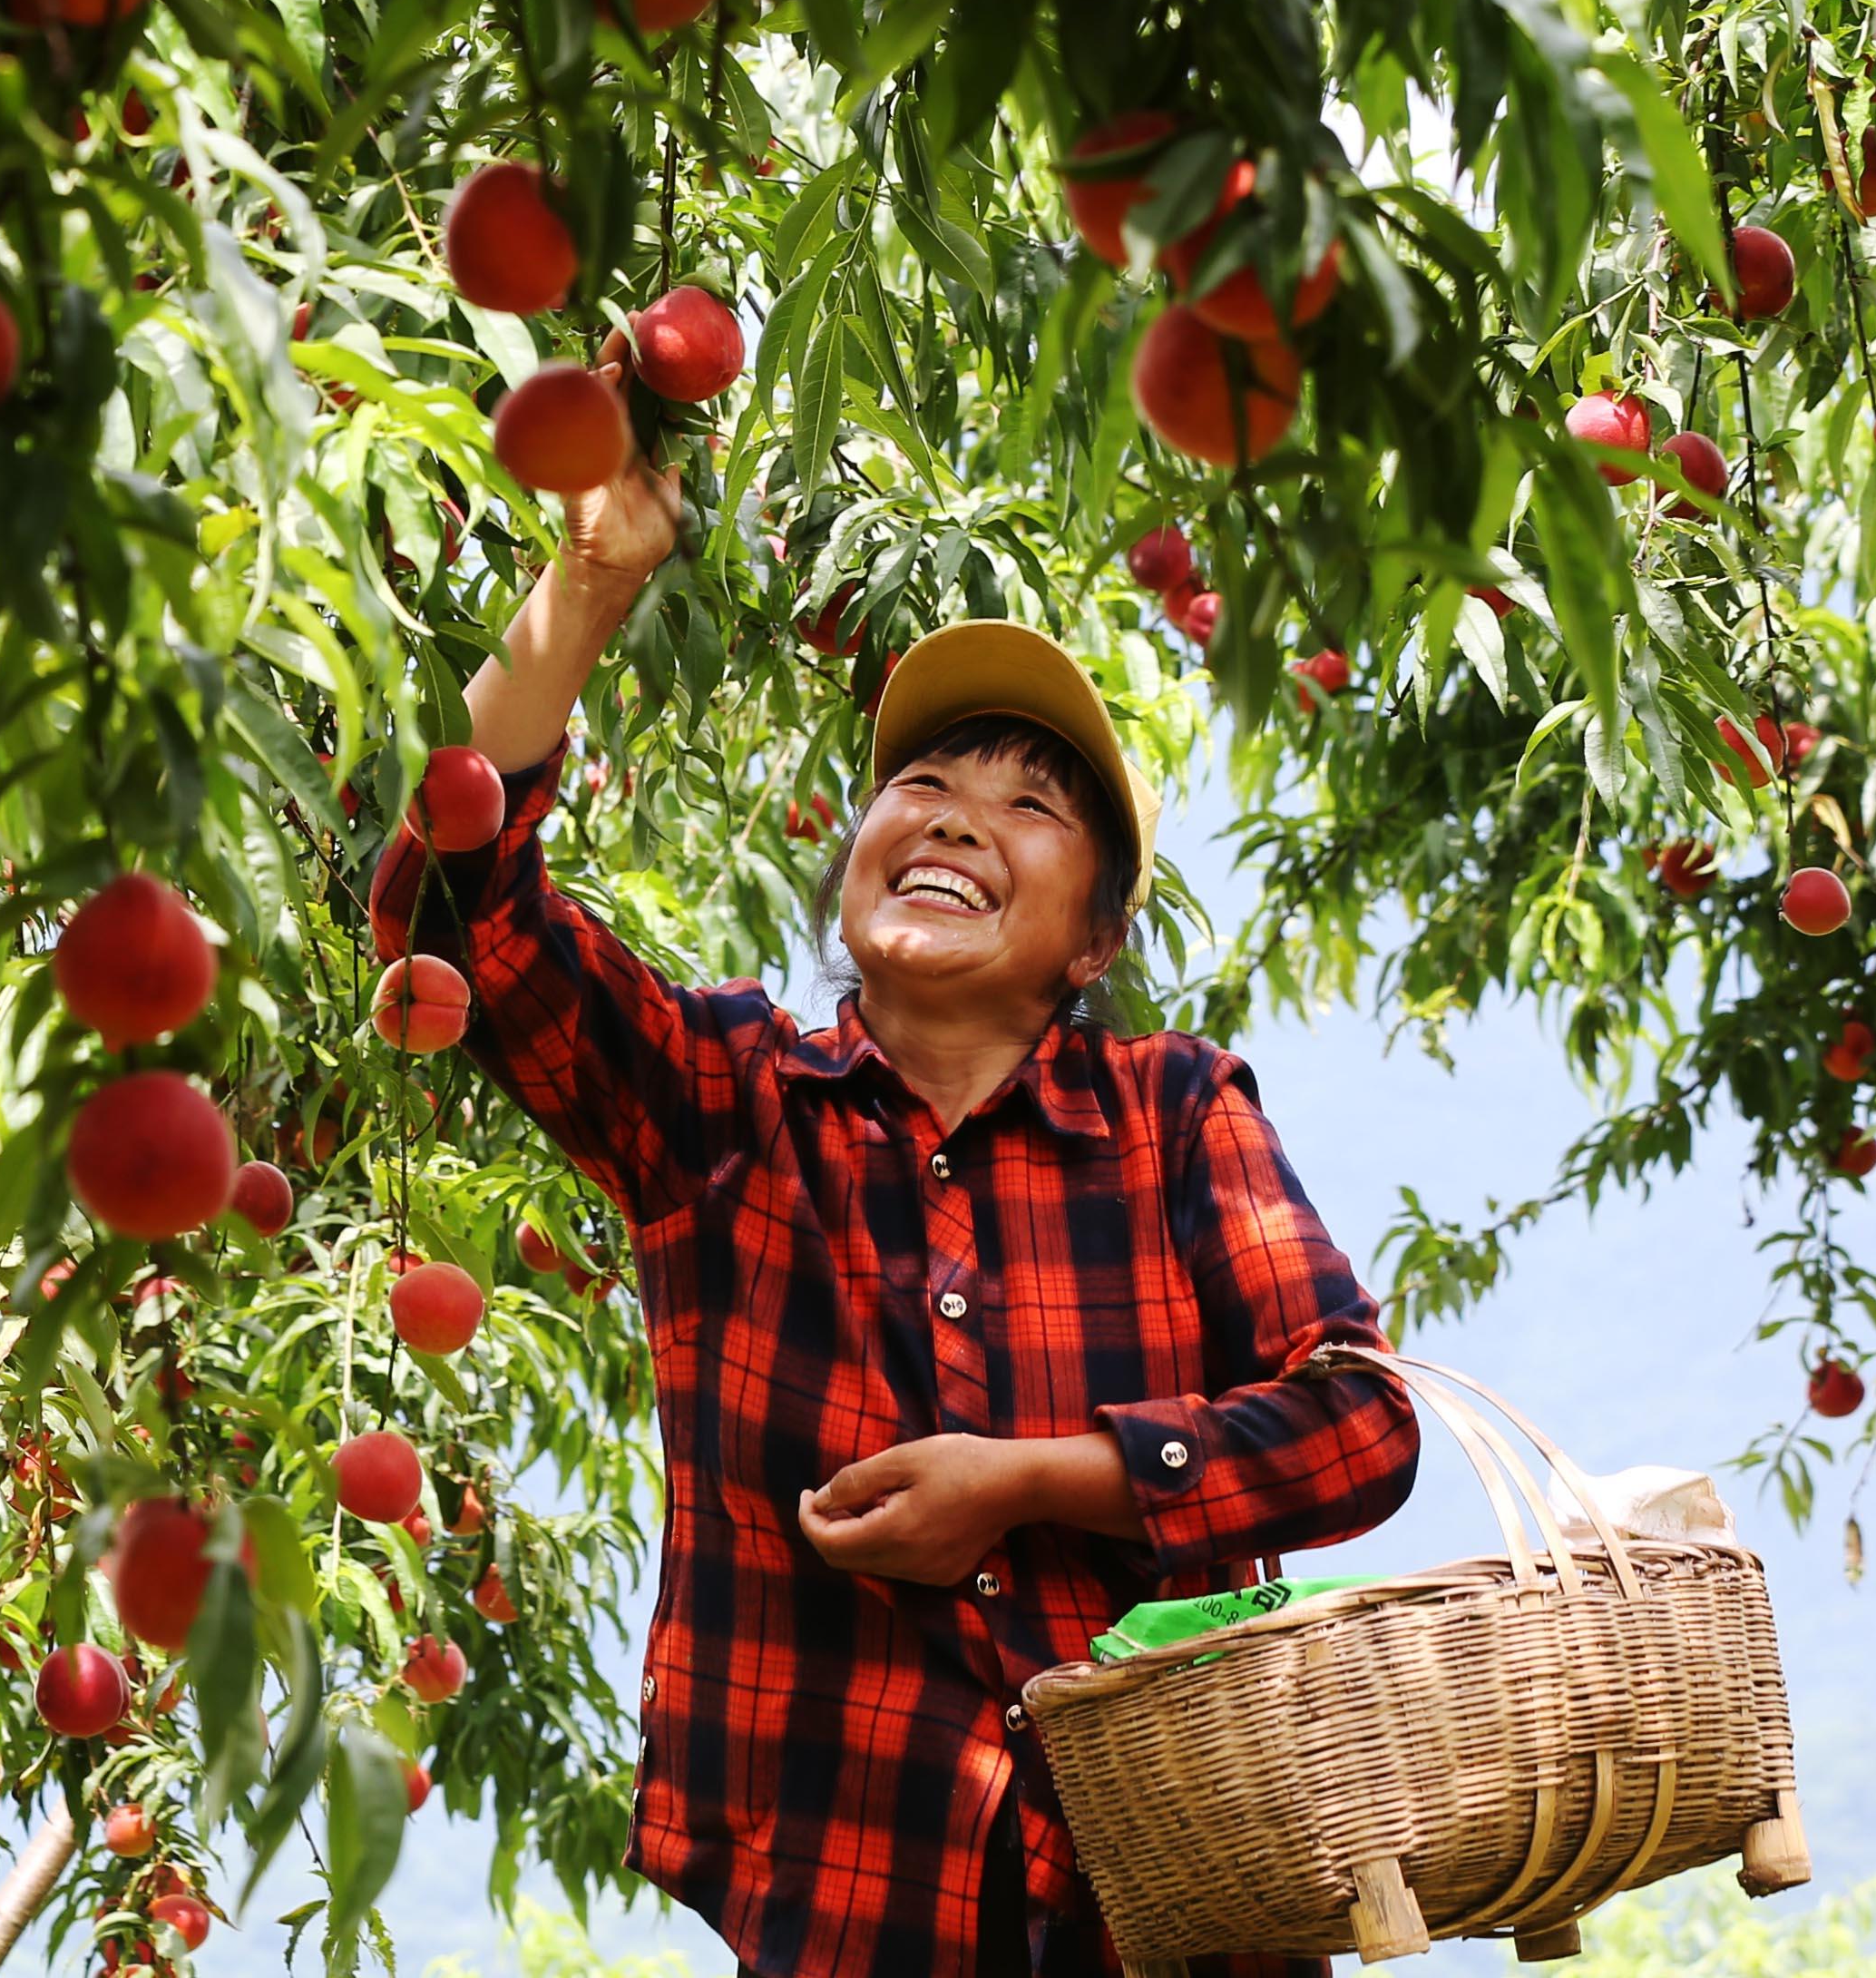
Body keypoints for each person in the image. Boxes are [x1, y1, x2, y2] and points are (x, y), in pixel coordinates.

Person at [383, 436, 1420, 1978]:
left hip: (1182, 1907)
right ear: (854, 863)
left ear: (1093, 941)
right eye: (921, 785)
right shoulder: (727, 1104)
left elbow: (1360, 1426)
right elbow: (447, 909)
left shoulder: (1175, 1115)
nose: (950, 819)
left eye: (1028, 808)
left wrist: (1036, 1479)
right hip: (853, 1908)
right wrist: (593, 578)